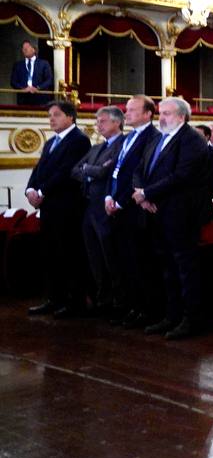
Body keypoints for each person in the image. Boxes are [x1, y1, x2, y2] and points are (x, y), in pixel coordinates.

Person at [132, 97, 209, 339]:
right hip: (157, 212)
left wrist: (147, 193)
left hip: (180, 214)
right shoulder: (158, 138)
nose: (161, 117)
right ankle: (171, 315)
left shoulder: (191, 140)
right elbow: (140, 168)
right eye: (161, 113)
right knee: (167, 268)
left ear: (182, 116)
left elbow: (182, 175)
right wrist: (142, 194)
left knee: (185, 269)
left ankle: (191, 319)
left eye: (167, 113)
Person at [25, 100, 91, 316]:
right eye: (49, 115)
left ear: (70, 117)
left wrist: (41, 192)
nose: (51, 119)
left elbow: (66, 171)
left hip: (67, 207)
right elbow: (39, 169)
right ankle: (55, 298)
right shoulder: (51, 142)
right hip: (49, 207)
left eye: (56, 114)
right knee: (50, 252)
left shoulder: (79, 140)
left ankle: (75, 302)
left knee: (68, 253)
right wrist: (30, 190)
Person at [105, 95, 159, 327]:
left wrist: (120, 201)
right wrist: (109, 195)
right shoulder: (128, 138)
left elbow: (137, 174)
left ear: (148, 113)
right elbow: (116, 171)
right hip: (118, 207)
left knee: (140, 263)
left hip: (134, 209)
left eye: (132, 110)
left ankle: (144, 309)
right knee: (124, 262)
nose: (126, 114)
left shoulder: (152, 137)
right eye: (126, 110)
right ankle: (131, 306)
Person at [72, 107, 125, 317]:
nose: (98, 125)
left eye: (102, 121)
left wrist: (88, 170)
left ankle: (118, 301)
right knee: (94, 258)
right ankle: (102, 299)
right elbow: (74, 170)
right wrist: (90, 171)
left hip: (107, 209)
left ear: (116, 123)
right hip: (89, 209)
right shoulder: (96, 148)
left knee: (111, 257)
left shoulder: (123, 144)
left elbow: (106, 172)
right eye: (97, 122)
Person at [9, 39, 53, 106]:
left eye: (27, 47)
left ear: (34, 49)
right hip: (23, 99)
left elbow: (49, 80)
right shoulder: (18, 65)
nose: (25, 49)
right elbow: (13, 81)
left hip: (40, 98)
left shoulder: (44, 63)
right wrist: (22, 88)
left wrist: (38, 88)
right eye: (23, 48)